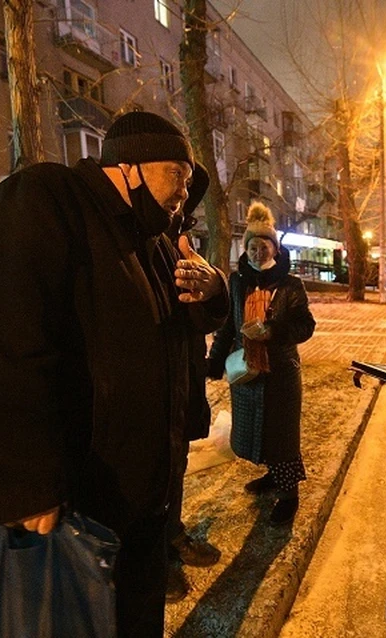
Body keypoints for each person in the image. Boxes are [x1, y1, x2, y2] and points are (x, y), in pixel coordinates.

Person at [0, 111, 228, 637]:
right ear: (130, 165)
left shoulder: (154, 243)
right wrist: (23, 482)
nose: (184, 195)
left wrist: (215, 296)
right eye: (177, 177)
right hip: (80, 502)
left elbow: (178, 331)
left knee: (137, 623)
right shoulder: (45, 200)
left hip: (144, 503)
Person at [207, 202, 316, 526]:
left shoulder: (290, 285)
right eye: (251, 246)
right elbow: (227, 326)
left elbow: (305, 326)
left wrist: (274, 331)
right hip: (247, 371)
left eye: (263, 246)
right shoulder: (237, 282)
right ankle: (273, 476)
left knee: (281, 436)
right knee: (257, 432)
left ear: (274, 248)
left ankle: (289, 496)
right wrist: (214, 364)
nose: (256, 252)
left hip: (281, 374)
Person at [163, 175, 223, 603]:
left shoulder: (181, 243)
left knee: (175, 466)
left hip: (183, 377)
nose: (183, 199)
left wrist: (213, 286)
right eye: (177, 185)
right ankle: (155, 558)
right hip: (149, 388)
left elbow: (202, 317)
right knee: (150, 477)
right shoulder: (133, 239)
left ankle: (172, 534)